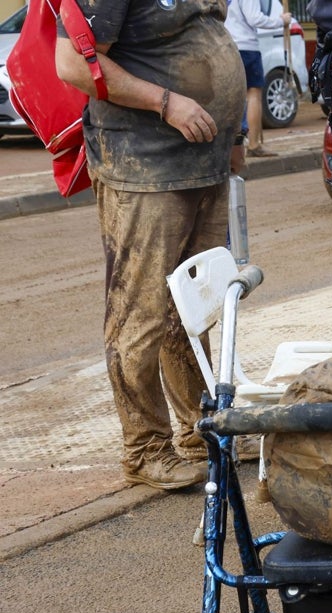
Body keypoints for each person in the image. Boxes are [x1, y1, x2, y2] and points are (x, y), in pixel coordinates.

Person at [56, 0, 247, 490]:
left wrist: (235, 131)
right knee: (139, 313)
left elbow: (204, 37)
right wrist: (166, 102)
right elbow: (73, 62)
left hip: (203, 161)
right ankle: (144, 448)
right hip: (143, 167)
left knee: (193, 310)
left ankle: (198, 430)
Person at [224, 0, 291, 157]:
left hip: (226, 46)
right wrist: (281, 21)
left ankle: (230, 147)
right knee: (254, 94)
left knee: (231, 97)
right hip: (246, 47)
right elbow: (255, 18)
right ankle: (253, 144)